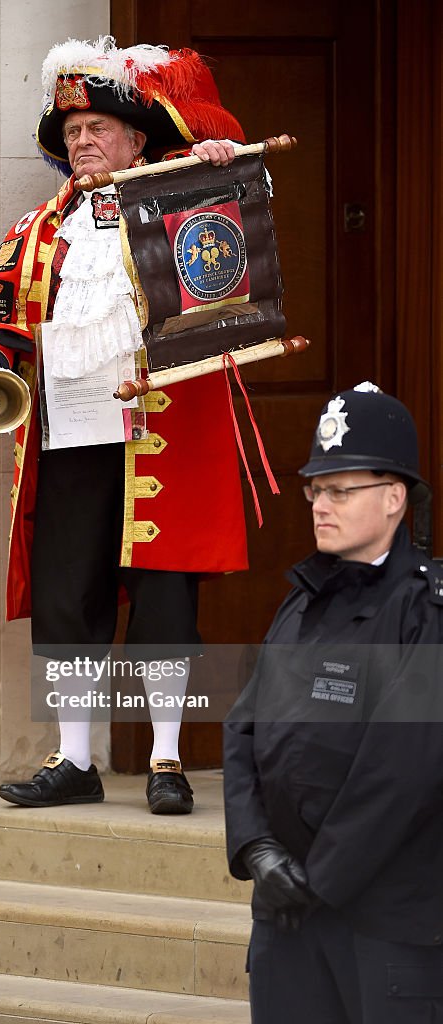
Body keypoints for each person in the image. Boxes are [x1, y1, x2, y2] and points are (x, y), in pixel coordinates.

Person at [0, 37, 251, 814]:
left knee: (164, 599)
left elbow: (235, 262)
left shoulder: (184, 198)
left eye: (98, 128)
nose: (83, 141)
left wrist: (218, 175)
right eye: (72, 132)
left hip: (165, 433)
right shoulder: (37, 230)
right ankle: (76, 759)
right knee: (67, 596)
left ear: (138, 139)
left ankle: (164, 759)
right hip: (71, 435)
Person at [223, 381, 443, 1023]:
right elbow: (242, 733)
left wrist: (316, 881)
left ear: (395, 497)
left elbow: (403, 771)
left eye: (341, 491)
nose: (321, 505)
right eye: (316, 489)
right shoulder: (300, 601)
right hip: (284, 916)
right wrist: (258, 851)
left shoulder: (423, 613)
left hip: (382, 925)